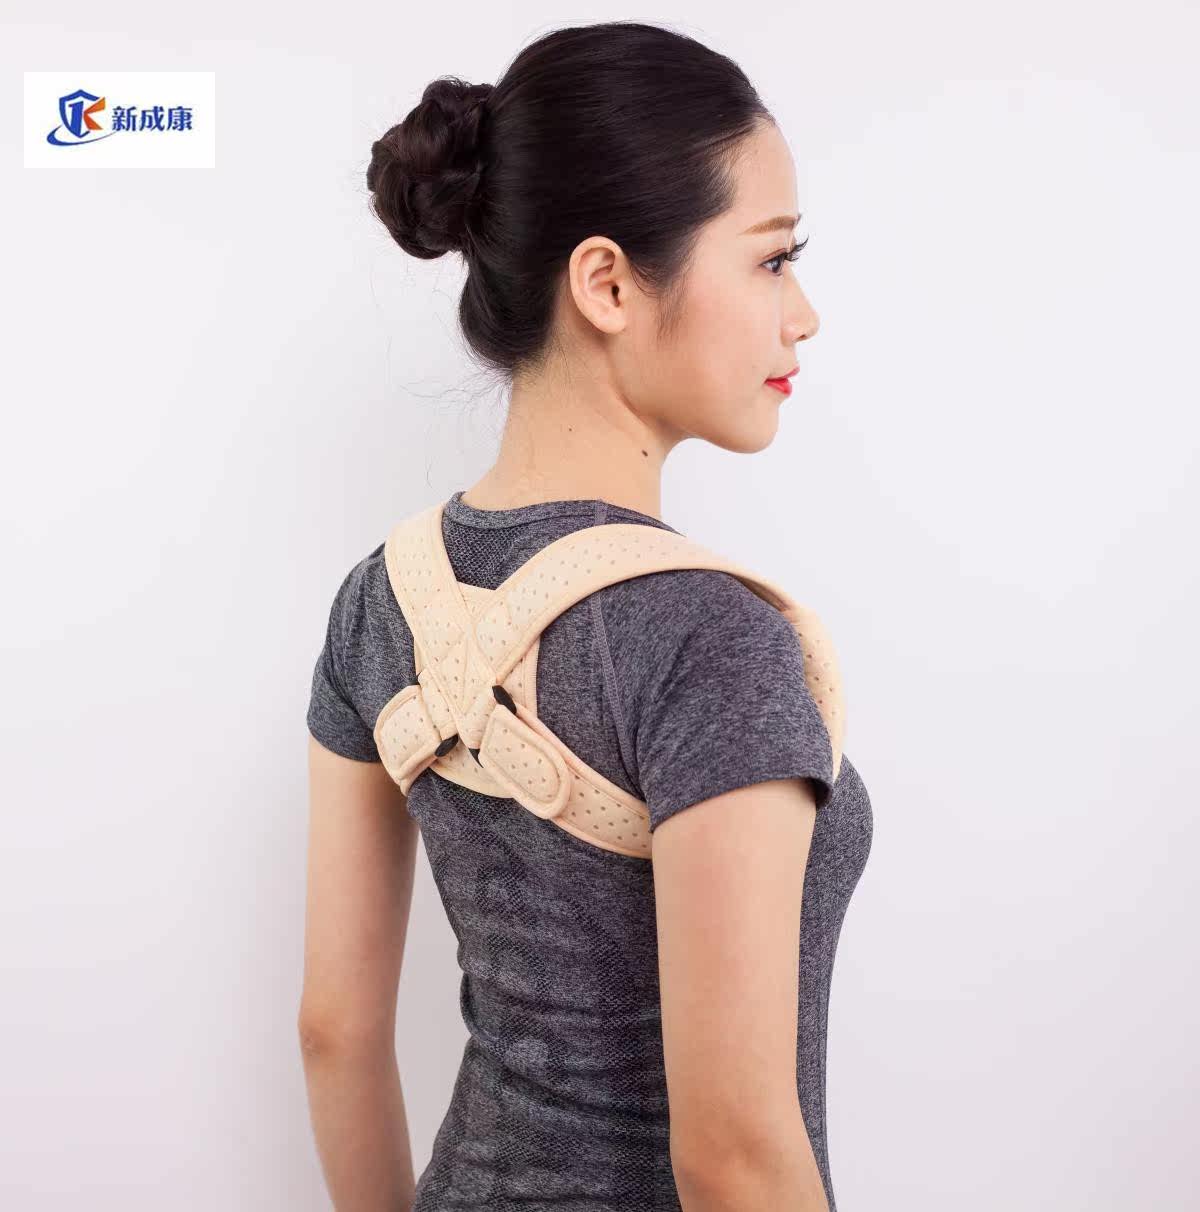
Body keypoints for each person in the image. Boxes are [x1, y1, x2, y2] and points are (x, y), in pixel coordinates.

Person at [300, 20, 873, 1212]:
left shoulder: (377, 600)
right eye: (773, 259)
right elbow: (734, 1158)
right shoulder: (713, 641)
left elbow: (335, 1031)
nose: (804, 313)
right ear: (607, 284)